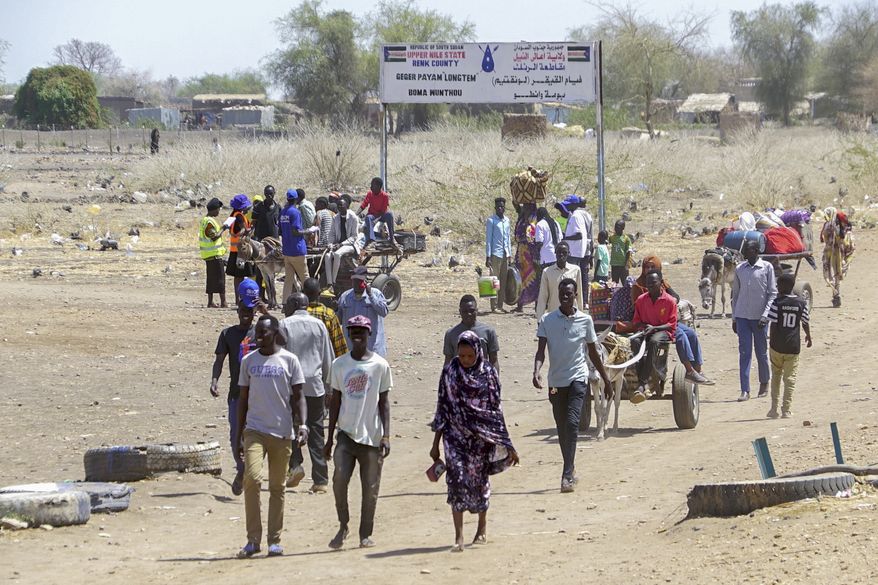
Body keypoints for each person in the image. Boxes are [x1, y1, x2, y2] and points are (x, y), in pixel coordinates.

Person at [430, 330, 519, 552]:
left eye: (470, 356)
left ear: (478, 353)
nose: (466, 360)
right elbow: (443, 407)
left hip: (480, 439)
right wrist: (435, 444)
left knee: (479, 482)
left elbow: (495, 411)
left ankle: (481, 528)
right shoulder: (450, 372)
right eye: (462, 356)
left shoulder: (488, 374)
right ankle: (458, 536)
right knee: (456, 480)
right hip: (454, 437)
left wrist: (506, 443)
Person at [235, 314, 308, 558]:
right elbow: (242, 400)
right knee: (253, 480)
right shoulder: (248, 361)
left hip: (282, 432)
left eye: (264, 332)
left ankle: (274, 540)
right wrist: (237, 435)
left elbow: (298, 397)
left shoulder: (289, 361)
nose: (259, 336)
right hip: (254, 430)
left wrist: (303, 425)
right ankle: (252, 540)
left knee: (277, 487)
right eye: (257, 332)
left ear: (275, 333)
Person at [533, 278, 612, 493]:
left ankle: (566, 475)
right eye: (562, 293)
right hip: (556, 382)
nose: (565, 297)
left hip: (578, 378)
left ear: (576, 295)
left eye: (569, 293)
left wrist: (605, 379)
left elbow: (593, 353)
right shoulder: (547, 321)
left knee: (572, 423)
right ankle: (570, 466)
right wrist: (536, 371)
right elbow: (541, 351)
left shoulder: (585, 320)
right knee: (561, 428)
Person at [324, 315, 392, 550]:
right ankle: (343, 525)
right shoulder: (339, 365)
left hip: (372, 437)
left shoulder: (380, 366)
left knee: (370, 488)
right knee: (339, 481)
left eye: (361, 331)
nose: (357, 335)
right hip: (345, 434)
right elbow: (334, 402)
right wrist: (328, 438)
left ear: (369, 334)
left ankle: (365, 533)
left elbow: (384, 402)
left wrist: (386, 435)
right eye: (353, 331)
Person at [630, 255, 712, 386]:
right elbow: (637, 310)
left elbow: (675, 298)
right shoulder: (639, 287)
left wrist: (670, 302)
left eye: (653, 267)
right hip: (652, 323)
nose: (649, 270)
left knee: (691, 333)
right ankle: (689, 369)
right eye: (647, 267)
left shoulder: (662, 284)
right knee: (680, 335)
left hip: (665, 321)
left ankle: (697, 369)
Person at [280, 293, 334, 492]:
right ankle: (320, 479)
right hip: (315, 385)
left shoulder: (285, 324)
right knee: (316, 431)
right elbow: (328, 357)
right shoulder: (319, 325)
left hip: (293, 387)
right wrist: (329, 387)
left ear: (294, 304)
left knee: (290, 428)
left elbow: (280, 356)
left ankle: (295, 466)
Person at [210, 285, 258, 496]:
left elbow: (280, 335)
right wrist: (214, 380)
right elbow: (219, 360)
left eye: (250, 312)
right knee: (235, 435)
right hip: (236, 394)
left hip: (259, 395)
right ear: (238, 312)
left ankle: (249, 470)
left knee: (255, 435)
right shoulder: (228, 334)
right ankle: (242, 469)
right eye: (243, 312)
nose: (246, 316)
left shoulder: (261, 331)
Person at [731, 240, 777, 402]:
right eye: (745, 251)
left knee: (761, 352)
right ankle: (745, 390)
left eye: (749, 251)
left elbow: (772, 293)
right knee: (744, 353)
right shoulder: (740, 269)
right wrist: (734, 317)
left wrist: (766, 315)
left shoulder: (766, 268)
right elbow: (735, 295)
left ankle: (764, 383)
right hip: (742, 316)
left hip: (760, 318)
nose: (746, 253)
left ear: (757, 251)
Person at [766, 274, 812, 418]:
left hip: (776, 346)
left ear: (785, 286)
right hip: (793, 346)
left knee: (776, 377)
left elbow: (772, 323)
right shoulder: (801, 303)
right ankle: (786, 409)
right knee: (790, 379)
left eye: (779, 285)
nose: (777, 288)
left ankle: (773, 409)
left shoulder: (777, 303)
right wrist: (808, 336)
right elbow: (805, 322)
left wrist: (771, 341)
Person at [337, 267, 389, 357]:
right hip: (351, 349)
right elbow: (339, 320)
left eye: (359, 281)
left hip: (373, 348)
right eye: (354, 281)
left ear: (365, 281)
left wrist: (371, 296)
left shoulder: (376, 294)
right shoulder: (345, 297)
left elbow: (383, 312)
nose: (356, 284)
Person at [443, 295, 500, 371]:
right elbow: (448, 361)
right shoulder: (451, 334)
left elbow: (494, 360)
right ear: (460, 312)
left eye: (472, 311)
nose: (468, 314)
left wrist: (494, 380)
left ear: (477, 310)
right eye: (465, 311)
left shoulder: (488, 332)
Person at [303, 277, 348, 359]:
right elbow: (339, 344)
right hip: (324, 361)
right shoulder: (328, 314)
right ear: (320, 293)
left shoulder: (296, 315)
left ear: (303, 293)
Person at [535, 241, 582, 319]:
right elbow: (543, 297)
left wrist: (580, 315)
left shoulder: (576, 270)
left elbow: (579, 295)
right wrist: (540, 319)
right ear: (555, 253)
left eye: (564, 253)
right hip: (553, 315)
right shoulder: (547, 272)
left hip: (571, 316)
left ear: (569, 253)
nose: (561, 255)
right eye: (559, 252)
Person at [821, 206, 855, 307]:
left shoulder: (828, 224)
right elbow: (845, 239)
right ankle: (836, 294)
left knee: (829, 273)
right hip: (839, 252)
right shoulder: (840, 225)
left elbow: (826, 238)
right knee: (837, 273)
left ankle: (835, 295)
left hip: (830, 252)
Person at [511, 199, 541, 312]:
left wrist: (535, 256)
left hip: (530, 254)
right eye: (524, 207)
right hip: (521, 253)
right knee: (520, 279)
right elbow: (516, 206)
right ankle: (520, 304)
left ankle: (537, 305)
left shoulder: (533, 220)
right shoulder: (522, 218)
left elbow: (532, 238)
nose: (525, 208)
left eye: (527, 207)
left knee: (533, 279)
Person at [226, 194, 255, 305]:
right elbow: (243, 230)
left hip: (234, 250)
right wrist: (249, 229)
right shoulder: (239, 216)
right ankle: (242, 299)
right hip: (241, 250)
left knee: (237, 277)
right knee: (243, 275)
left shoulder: (232, 215)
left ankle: (238, 299)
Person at [326, 196, 361, 286]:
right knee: (327, 255)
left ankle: (333, 281)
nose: (340, 207)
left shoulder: (353, 218)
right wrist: (330, 243)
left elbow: (354, 237)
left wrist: (341, 244)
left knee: (337, 254)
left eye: (342, 205)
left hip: (350, 245)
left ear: (347, 206)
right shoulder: (335, 218)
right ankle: (329, 283)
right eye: (338, 206)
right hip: (338, 244)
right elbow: (332, 234)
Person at [280, 189, 308, 303]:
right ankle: (310, 300)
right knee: (305, 277)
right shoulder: (294, 212)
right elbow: (296, 231)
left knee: (289, 279)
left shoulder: (283, 212)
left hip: (287, 250)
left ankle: (285, 303)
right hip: (297, 249)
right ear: (296, 199)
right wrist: (307, 231)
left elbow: (281, 230)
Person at [485, 197, 513, 312]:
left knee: (503, 281)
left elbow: (508, 238)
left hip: (505, 254)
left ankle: (500, 305)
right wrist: (488, 256)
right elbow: (488, 239)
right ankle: (494, 306)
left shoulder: (507, 221)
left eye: (502, 206)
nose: (500, 209)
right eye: (498, 207)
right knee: (494, 281)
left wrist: (510, 254)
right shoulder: (491, 221)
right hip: (495, 254)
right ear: (495, 208)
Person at [200, 197, 229, 308]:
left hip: (208, 255)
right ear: (213, 209)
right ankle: (223, 302)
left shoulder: (205, 220)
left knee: (211, 279)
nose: (219, 211)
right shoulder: (209, 222)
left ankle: (210, 301)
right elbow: (214, 236)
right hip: (214, 255)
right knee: (220, 278)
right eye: (218, 209)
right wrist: (224, 228)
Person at [561, 195, 594, 289]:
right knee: (581, 276)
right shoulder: (583, 215)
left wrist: (565, 237)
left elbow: (579, 234)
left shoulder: (575, 216)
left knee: (572, 276)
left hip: (576, 250)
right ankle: (582, 300)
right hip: (583, 250)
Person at [359, 177, 395, 245]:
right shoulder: (370, 194)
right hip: (372, 215)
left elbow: (383, 211)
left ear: (378, 187)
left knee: (389, 215)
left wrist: (376, 220)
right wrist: (356, 213)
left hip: (381, 215)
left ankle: (392, 237)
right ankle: (372, 239)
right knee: (368, 217)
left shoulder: (385, 196)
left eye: (373, 185)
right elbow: (364, 204)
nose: (371, 187)